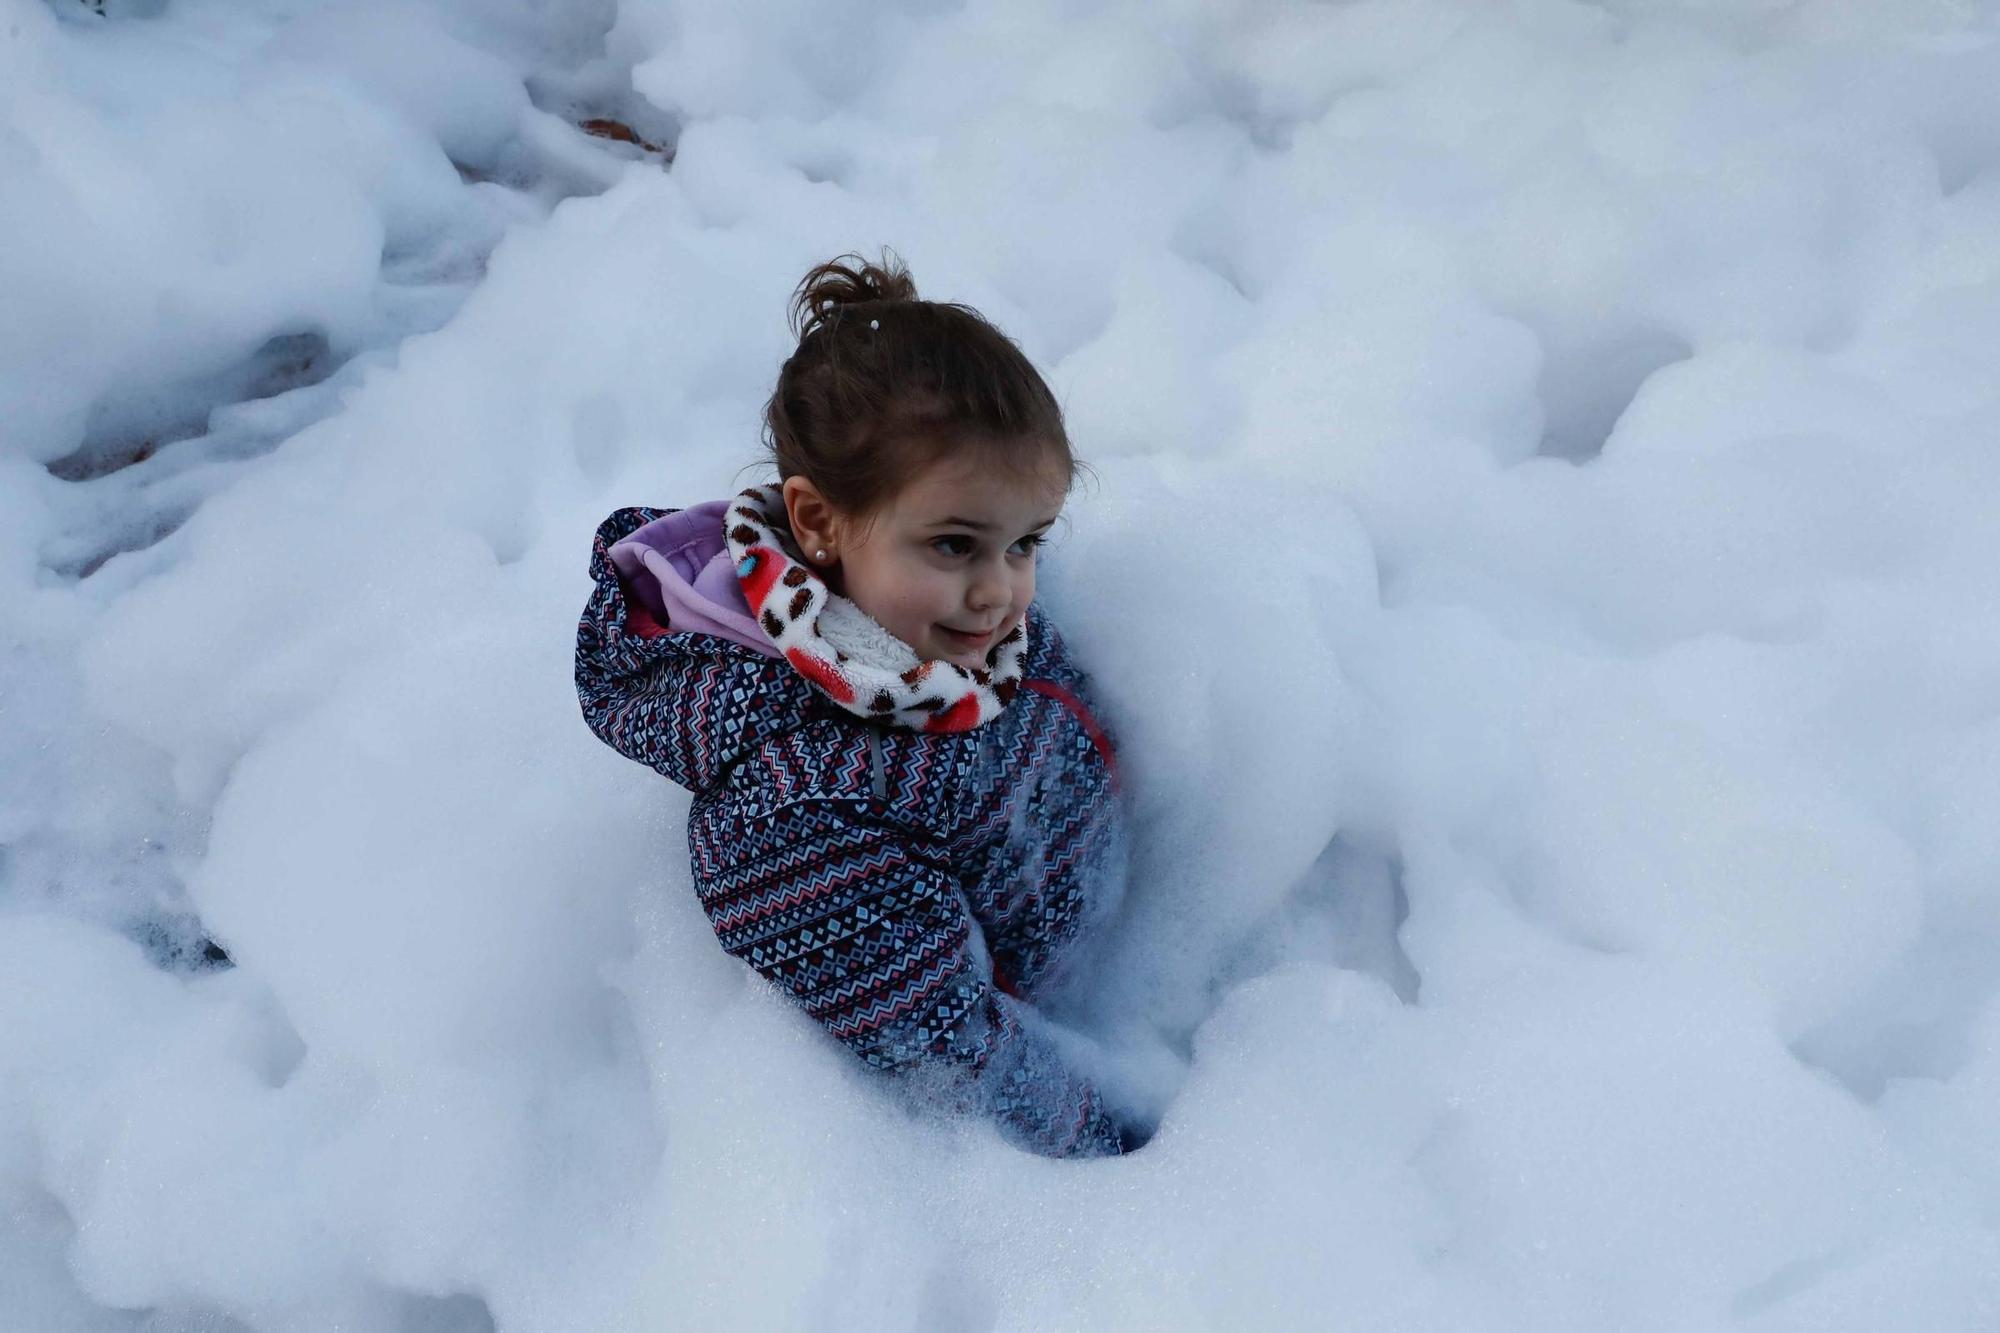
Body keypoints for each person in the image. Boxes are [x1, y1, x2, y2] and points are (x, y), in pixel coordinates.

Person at [574, 252, 1143, 1158]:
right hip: (1049, 1053)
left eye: (1029, 541)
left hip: (1113, 928)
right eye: (957, 545)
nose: (1003, 593)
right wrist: (1123, 1150)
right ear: (817, 523)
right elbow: (946, 1047)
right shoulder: (792, 818)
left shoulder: (934, 607)